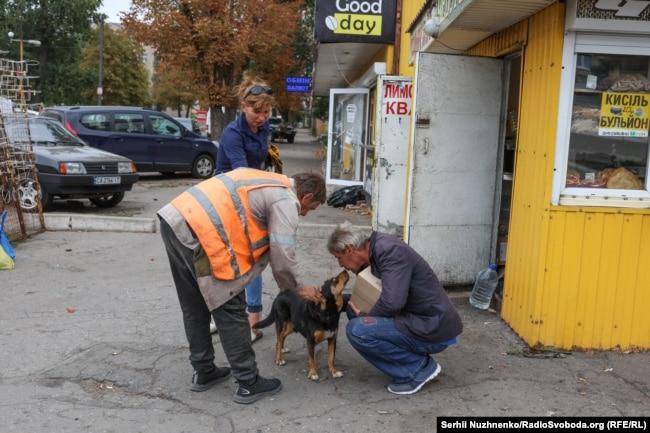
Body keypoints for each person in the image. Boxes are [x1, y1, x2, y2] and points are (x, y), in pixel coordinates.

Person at [158, 168, 326, 404]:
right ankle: (248, 382)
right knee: (231, 306)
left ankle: (204, 370)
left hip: (175, 219)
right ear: (307, 197)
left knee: (194, 306)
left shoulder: (266, 179)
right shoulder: (286, 199)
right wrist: (298, 289)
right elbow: (282, 253)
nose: (306, 213)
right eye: (311, 208)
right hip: (203, 235)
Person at [327, 223, 463, 395]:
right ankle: (412, 361)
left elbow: (392, 303)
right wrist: (333, 300)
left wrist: (364, 317)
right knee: (354, 312)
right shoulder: (376, 249)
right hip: (418, 318)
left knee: (358, 329)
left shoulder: (389, 251)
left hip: (433, 326)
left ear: (349, 249)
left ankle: (417, 369)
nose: (340, 265)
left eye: (338, 258)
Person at [215, 74, 275, 342]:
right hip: (226, 197)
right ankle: (219, 315)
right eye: (256, 111)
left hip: (251, 195)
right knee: (227, 260)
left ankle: (253, 321)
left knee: (251, 260)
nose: (261, 117)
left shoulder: (264, 129)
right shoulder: (232, 134)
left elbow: (259, 167)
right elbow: (241, 173)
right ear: (242, 106)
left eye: (266, 111)